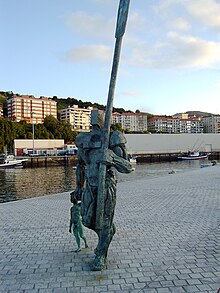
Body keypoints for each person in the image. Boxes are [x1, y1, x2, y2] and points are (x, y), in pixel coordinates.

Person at [71, 109, 133, 270]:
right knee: (87, 219)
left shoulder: (113, 139)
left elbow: (127, 167)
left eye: (96, 120)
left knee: (104, 222)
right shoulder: (85, 140)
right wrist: (78, 186)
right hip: (90, 185)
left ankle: (101, 255)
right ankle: (108, 232)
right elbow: (81, 166)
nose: (93, 123)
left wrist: (112, 158)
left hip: (106, 185)